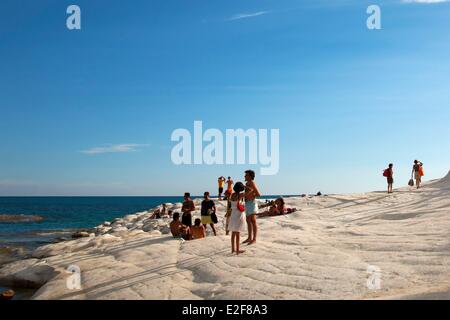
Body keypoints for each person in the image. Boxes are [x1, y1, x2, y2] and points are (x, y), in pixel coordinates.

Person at [228, 182, 247, 255]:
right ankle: (237, 250)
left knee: (233, 233)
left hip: (233, 214)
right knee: (238, 232)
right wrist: (245, 186)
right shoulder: (240, 195)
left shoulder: (232, 195)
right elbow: (251, 190)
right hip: (239, 214)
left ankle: (233, 249)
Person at [243, 170, 261, 245]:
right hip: (247, 203)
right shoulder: (247, 183)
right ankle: (249, 237)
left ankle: (254, 239)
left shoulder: (251, 183)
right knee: (248, 221)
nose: (244, 176)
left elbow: (258, 194)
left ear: (250, 176)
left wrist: (251, 196)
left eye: (246, 175)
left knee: (253, 221)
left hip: (252, 203)